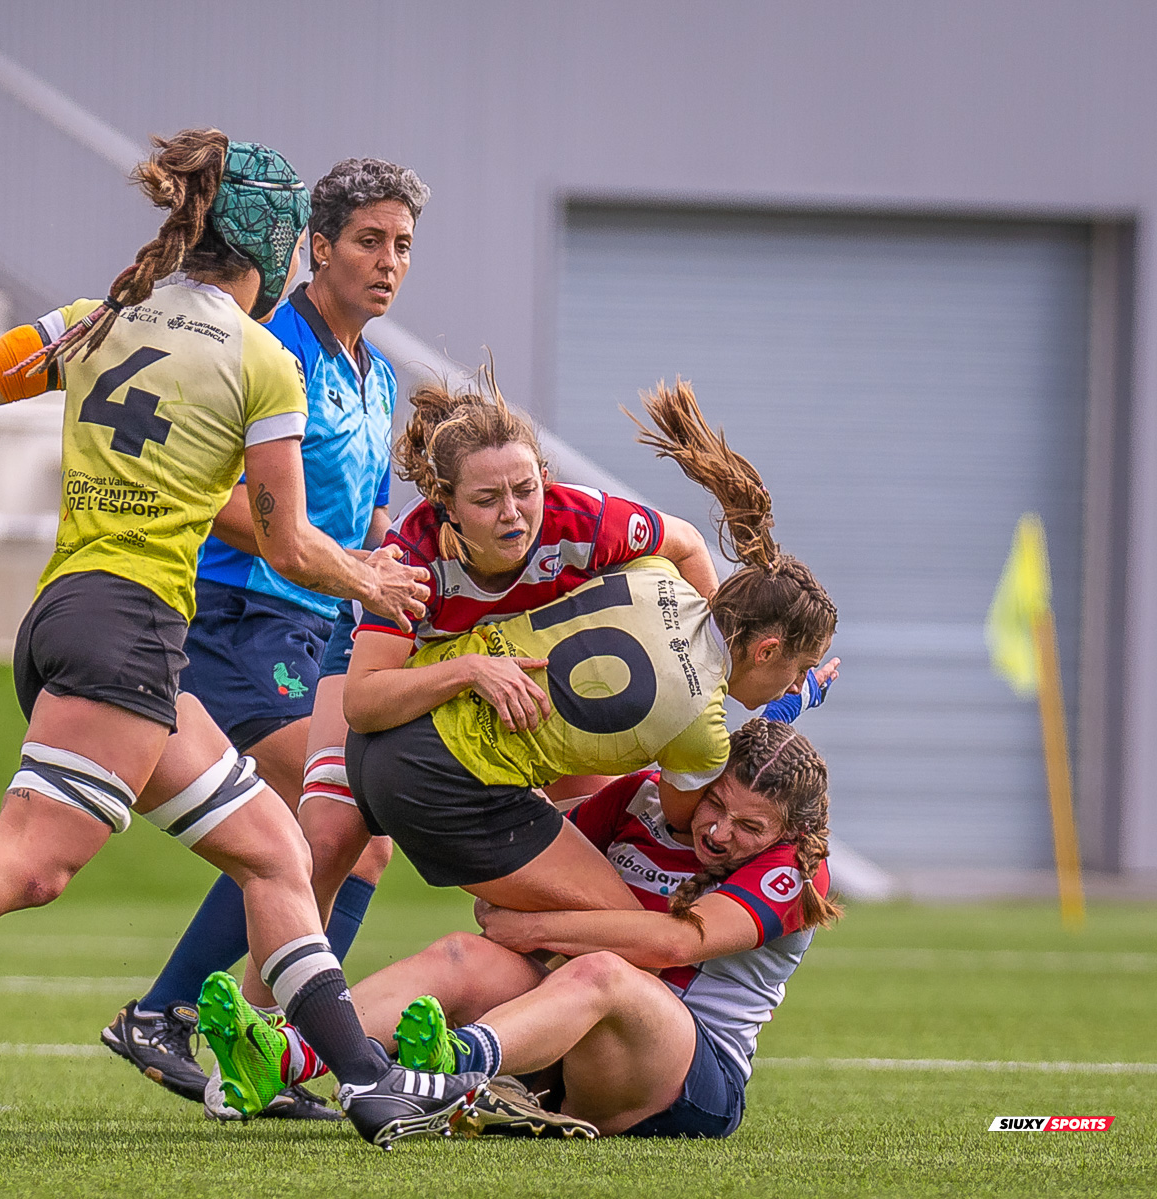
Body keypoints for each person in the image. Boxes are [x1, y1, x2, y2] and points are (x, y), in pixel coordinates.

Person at [0, 130, 485, 1148]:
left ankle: (363, 1079)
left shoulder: (100, 316)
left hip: (73, 615)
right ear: (274, 243)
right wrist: (369, 576)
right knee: (33, 862)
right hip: (131, 629)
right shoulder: (265, 358)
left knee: (274, 848)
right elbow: (285, 538)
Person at [100, 157, 429, 1118]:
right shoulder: (264, 343)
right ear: (314, 247)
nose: (387, 261)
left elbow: (368, 521)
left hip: (322, 626)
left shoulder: (380, 375)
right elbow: (218, 497)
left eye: (402, 244)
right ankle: (181, 1017)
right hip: (244, 616)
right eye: (368, 240)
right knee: (338, 824)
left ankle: (241, 1042)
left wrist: (412, 566)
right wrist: (315, 555)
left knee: (344, 838)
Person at [342, 380, 838, 913]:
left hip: (424, 731)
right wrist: (764, 699)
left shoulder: (638, 560)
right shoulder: (408, 559)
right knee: (619, 927)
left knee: (593, 859)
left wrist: (708, 658)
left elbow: (687, 553)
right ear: (448, 506)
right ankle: (311, 997)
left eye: (524, 490)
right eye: (487, 499)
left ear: (546, 482)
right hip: (405, 713)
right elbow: (363, 701)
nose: (511, 512)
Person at [357, 718, 838, 1140]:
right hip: (571, 1043)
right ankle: (303, 1046)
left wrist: (536, 928)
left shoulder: (795, 866)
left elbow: (677, 941)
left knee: (604, 972)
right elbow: (522, 876)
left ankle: (450, 1069)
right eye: (714, 803)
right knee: (463, 954)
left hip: (688, 1080)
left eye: (749, 826)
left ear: (789, 829)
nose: (718, 831)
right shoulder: (638, 797)